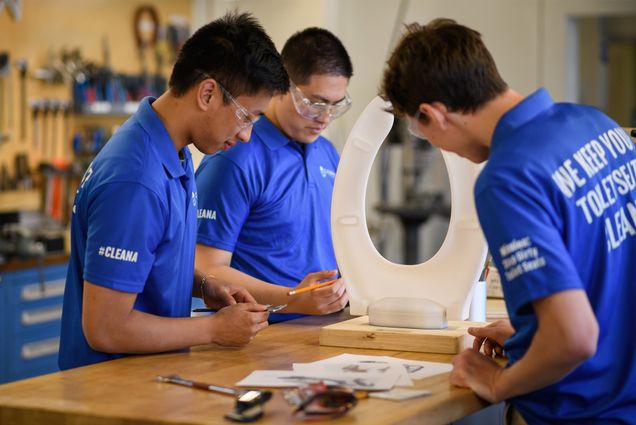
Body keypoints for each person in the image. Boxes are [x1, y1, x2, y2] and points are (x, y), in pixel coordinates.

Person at [381, 18, 636, 425]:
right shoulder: (597, 125)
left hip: (580, 411)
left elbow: (575, 337)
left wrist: (500, 382)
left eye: (420, 131)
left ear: (433, 114)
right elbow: (602, 275)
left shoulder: (507, 178)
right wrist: (532, 336)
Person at [58, 12, 290, 370]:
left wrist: (204, 285)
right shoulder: (135, 179)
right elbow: (104, 328)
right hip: (108, 388)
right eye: (247, 117)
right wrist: (213, 328)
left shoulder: (173, 153)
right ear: (208, 93)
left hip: (150, 379)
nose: (246, 135)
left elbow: (150, 260)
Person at [194, 28, 352, 323]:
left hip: (325, 332)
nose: (325, 118)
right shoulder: (234, 155)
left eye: (336, 105)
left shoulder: (327, 154)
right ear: (282, 87)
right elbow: (206, 268)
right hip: (257, 335)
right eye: (314, 104)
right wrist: (293, 299)